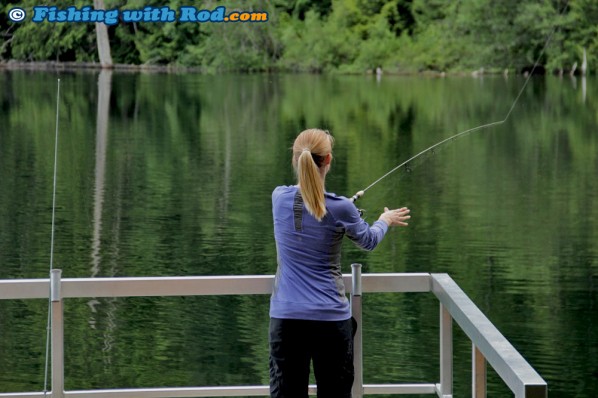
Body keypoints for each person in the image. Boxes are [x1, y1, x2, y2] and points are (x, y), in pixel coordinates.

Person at [269, 128, 411, 398]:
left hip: (286, 320)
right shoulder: (341, 207)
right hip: (330, 321)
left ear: (295, 159)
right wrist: (385, 220)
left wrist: (345, 210)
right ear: (329, 160)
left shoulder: (279, 199)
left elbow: (310, 207)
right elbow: (368, 240)